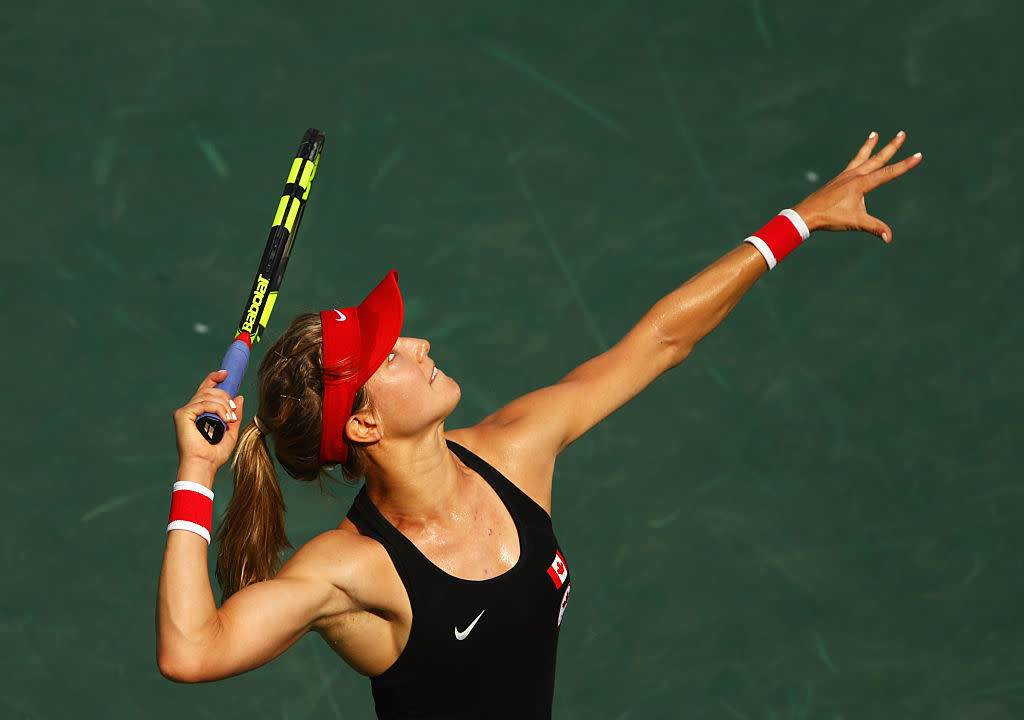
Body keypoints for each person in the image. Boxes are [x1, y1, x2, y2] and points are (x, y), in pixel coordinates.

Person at [158, 132, 922, 718]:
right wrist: (197, 473)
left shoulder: (515, 448)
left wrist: (801, 219)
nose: (419, 344)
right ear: (360, 425)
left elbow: (660, 341)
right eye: (391, 355)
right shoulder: (352, 573)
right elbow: (191, 652)